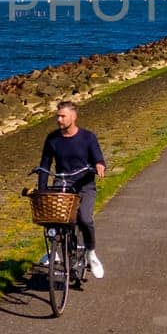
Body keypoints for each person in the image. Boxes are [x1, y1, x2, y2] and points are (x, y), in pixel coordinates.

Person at [38, 100, 107, 278]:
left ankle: (91, 253)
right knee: (51, 217)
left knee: (84, 218)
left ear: (73, 117)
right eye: (57, 116)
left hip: (84, 185)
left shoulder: (87, 137)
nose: (59, 120)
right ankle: (55, 249)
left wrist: (99, 165)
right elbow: (45, 165)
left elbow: (98, 158)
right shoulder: (52, 139)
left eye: (63, 116)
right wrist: (42, 189)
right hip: (62, 184)